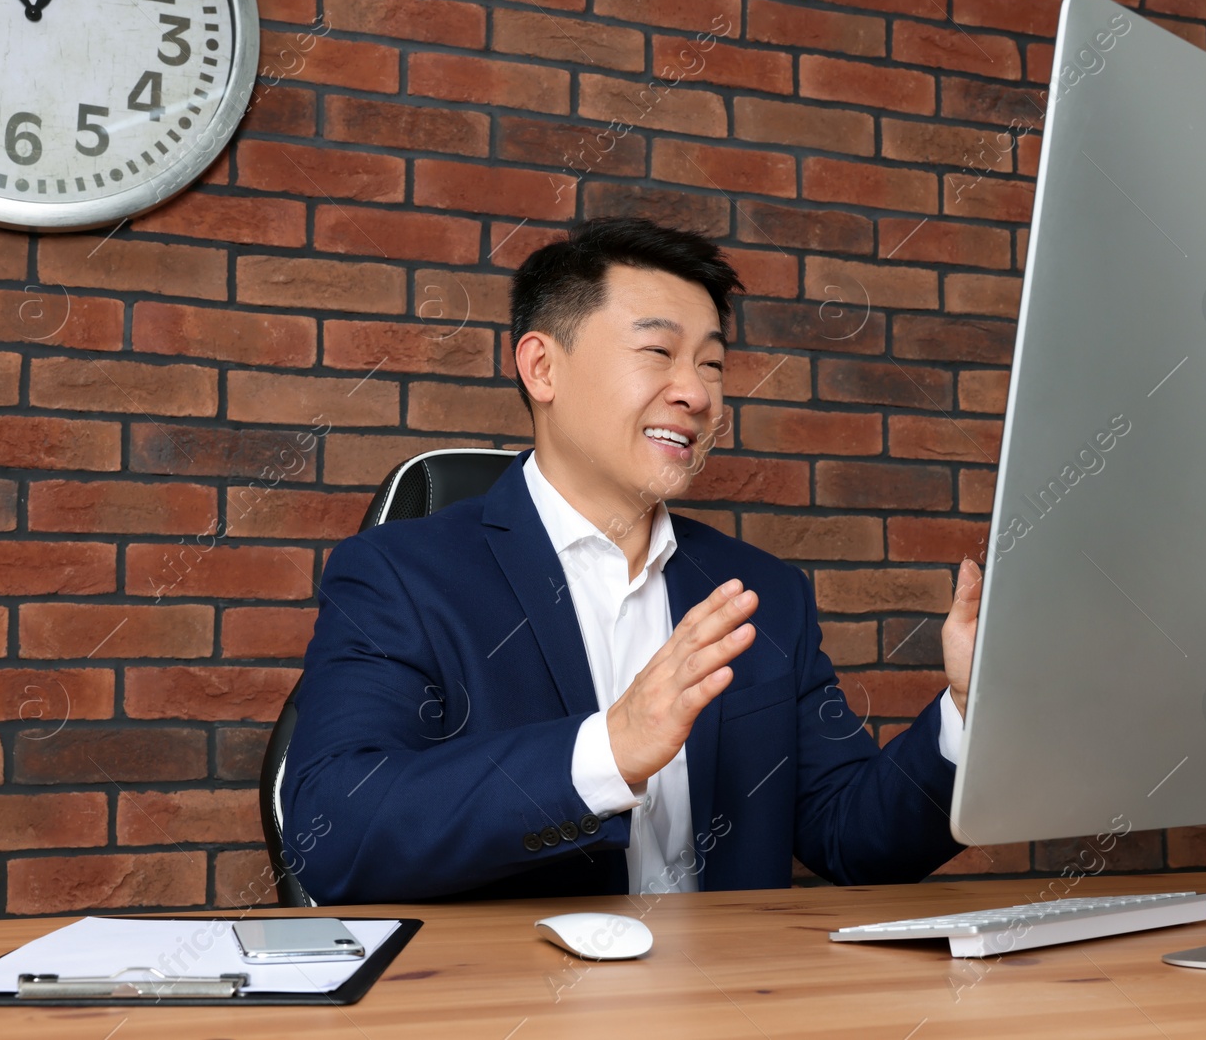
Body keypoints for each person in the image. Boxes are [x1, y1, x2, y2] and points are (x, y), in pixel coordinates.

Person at [281, 216, 984, 903]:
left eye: (711, 363)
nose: (698, 393)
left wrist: (964, 708)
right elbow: (332, 832)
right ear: (542, 366)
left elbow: (855, 840)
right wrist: (606, 753)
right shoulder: (399, 575)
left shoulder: (760, 594)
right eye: (659, 352)